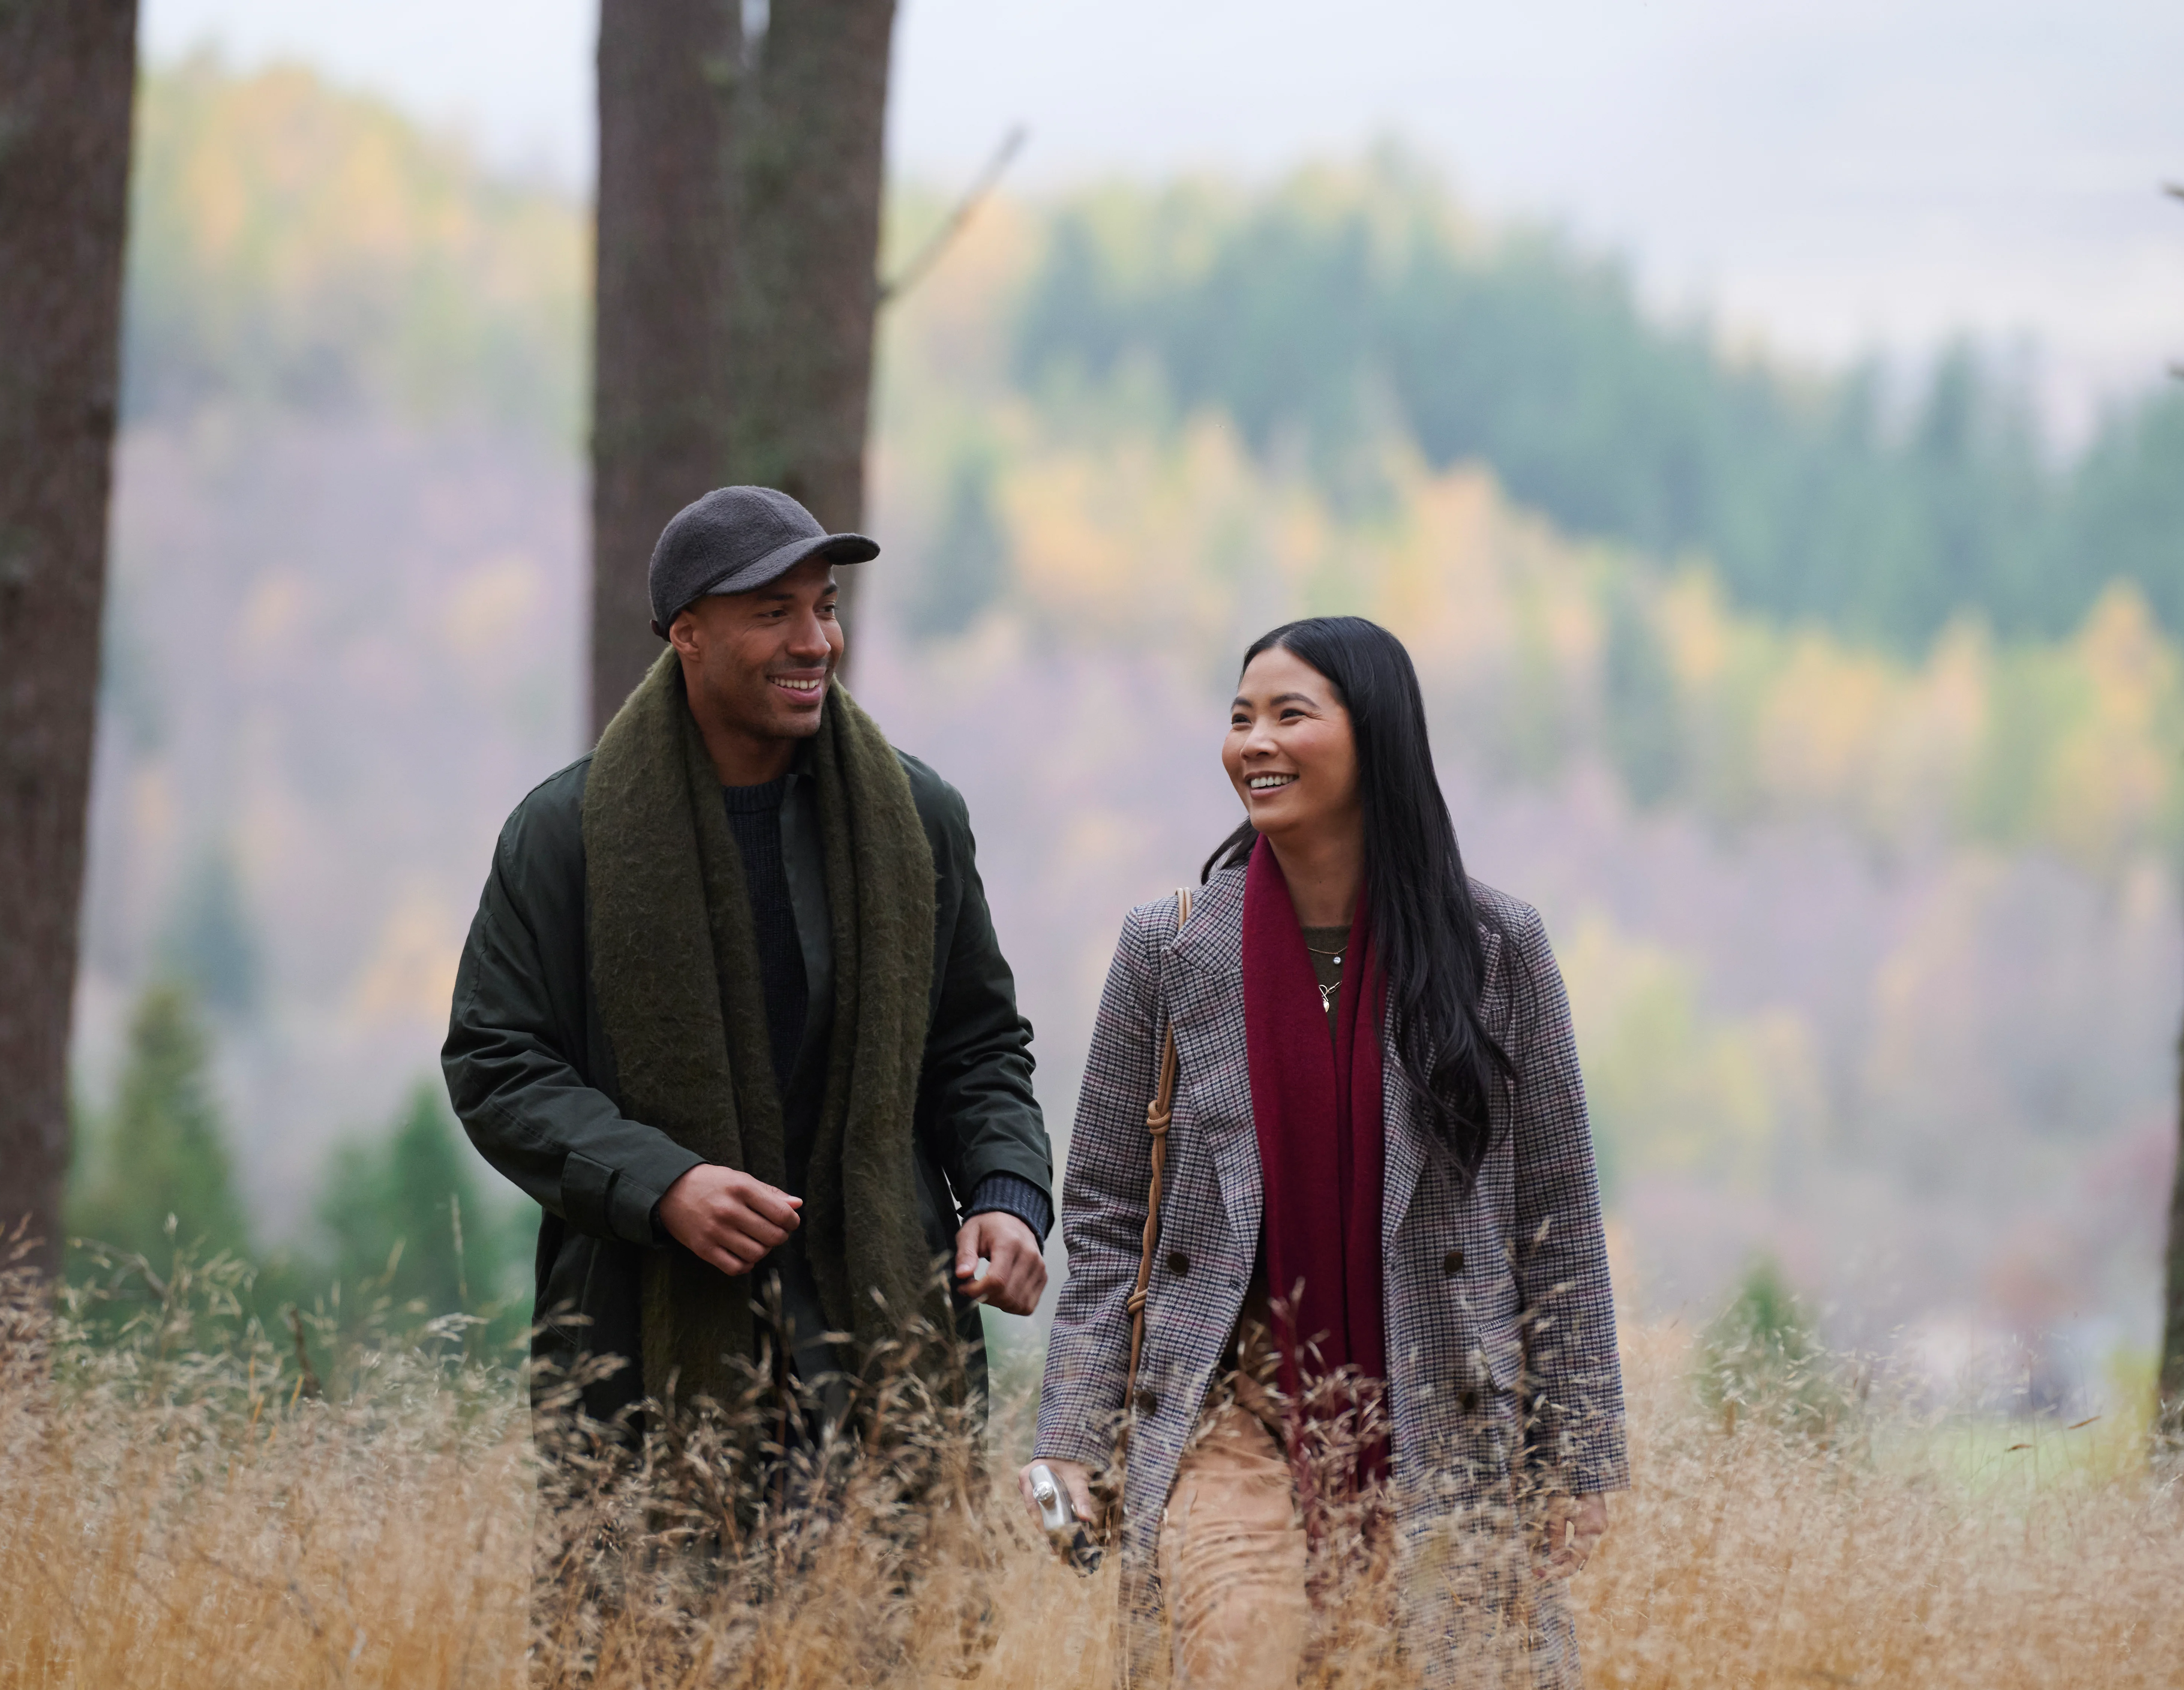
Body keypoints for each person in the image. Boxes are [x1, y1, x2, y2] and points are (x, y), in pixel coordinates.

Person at [1022, 615, 1627, 1689]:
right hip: (1233, 1410)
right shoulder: (1165, 950)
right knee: (1236, 1647)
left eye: (1290, 714)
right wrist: (1069, 1432)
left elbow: (1560, 1221)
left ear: (1376, 737)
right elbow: (1110, 1217)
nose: (1255, 741)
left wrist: (1579, 1460)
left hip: (1443, 1406)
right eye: (1240, 717)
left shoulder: (1500, 950)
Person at [443, 484, 1053, 1474]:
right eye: (774, 612)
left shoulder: (918, 818)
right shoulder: (568, 834)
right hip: (643, 1336)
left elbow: (975, 1045)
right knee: (648, 1626)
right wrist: (662, 1181)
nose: (815, 639)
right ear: (686, 633)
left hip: (880, 1337)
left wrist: (1007, 1189)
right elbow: (497, 1063)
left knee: (890, 1627)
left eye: (826, 606)